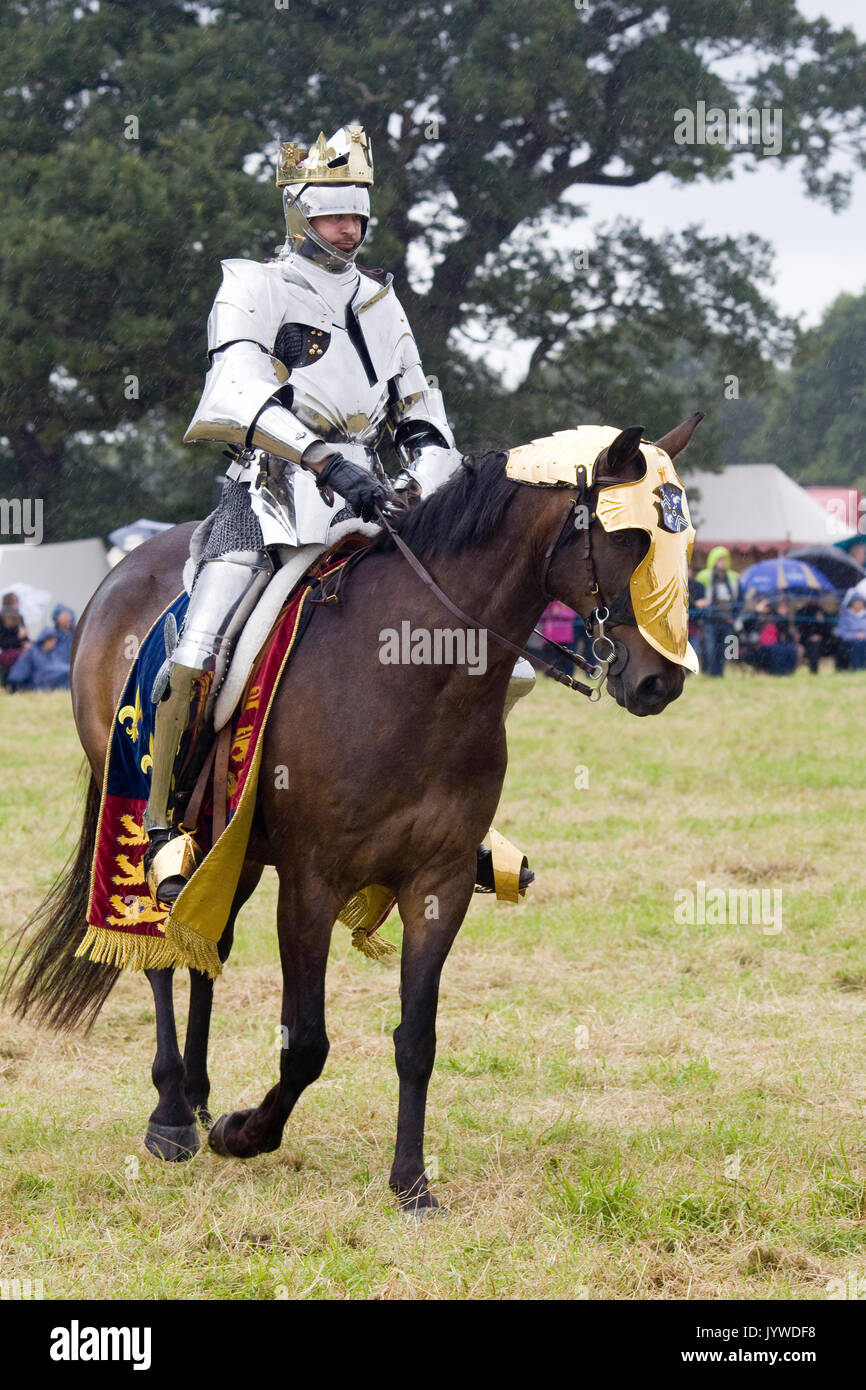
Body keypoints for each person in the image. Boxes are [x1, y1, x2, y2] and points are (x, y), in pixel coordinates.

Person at [144, 123, 535, 904]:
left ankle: (457, 818)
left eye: (358, 215)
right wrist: (325, 460)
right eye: (332, 215)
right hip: (267, 495)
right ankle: (170, 827)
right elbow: (233, 392)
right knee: (198, 650)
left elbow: (421, 413)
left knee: (499, 658)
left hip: (376, 504)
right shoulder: (253, 285)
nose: (349, 229)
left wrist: (429, 487)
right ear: (298, 213)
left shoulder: (382, 303)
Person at [8, 605, 75, 691]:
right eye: (51, 640)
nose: (54, 643)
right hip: (35, 687)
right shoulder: (33, 653)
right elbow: (18, 673)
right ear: (44, 640)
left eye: (55, 640)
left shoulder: (52, 653)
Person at [695, 546, 738, 676]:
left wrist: (735, 616)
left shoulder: (732, 578)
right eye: (720, 559)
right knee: (709, 648)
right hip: (710, 619)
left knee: (724, 649)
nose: (723, 562)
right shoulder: (704, 576)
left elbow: (738, 598)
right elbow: (696, 595)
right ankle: (708, 672)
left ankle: (719, 673)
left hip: (726, 619)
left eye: (725, 559)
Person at [0, 594, 29, 687]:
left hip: (20, 651)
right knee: (25, 656)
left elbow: (25, 639)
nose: (17, 604)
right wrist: (18, 638)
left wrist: (27, 641)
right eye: (14, 601)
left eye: (17, 601)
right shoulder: (1, 618)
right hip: (7, 652)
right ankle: (14, 683)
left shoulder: (20, 618)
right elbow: (3, 642)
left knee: (32, 653)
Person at [836, 592, 866, 670]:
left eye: (861, 602)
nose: (859, 604)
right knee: (857, 645)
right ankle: (858, 668)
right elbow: (843, 633)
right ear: (852, 603)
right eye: (856, 602)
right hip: (850, 642)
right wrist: (856, 635)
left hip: (864, 640)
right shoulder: (845, 616)